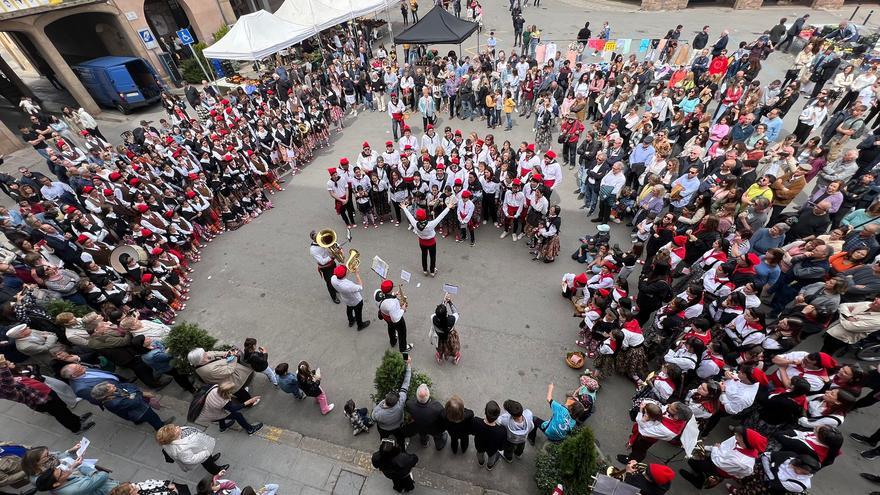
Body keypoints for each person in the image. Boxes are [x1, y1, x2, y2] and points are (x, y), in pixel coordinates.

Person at [0, 354, 93, 434]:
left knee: (63, 408)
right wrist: (3, 366)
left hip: (46, 392)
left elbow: (29, 368)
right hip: (41, 401)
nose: (9, 363)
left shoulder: (10, 373)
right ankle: (76, 428)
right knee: (61, 414)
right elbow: (9, 384)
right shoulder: (4, 387)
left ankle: (76, 419)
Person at [90, 380, 175, 431]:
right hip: (141, 411)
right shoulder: (114, 402)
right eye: (110, 387)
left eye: (110, 385)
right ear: (106, 394)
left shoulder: (113, 392)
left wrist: (132, 394)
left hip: (130, 411)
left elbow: (127, 385)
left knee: (137, 418)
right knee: (153, 417)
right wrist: (137, 393)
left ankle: (138, 421)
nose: (113, 385)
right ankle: (160, 427)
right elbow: (136, 401)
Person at [401, 200, 455, 276]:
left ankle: (425, 270)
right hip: (431, 243)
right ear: (425, 216)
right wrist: (448, 207)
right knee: (432, 257)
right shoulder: (431, 224)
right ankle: (432, 271)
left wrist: (404, 208)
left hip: (422, 242)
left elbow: (410, 216)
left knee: (424, 255)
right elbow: (441, 216)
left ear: (417, 217)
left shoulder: (415, 224)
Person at [155, 424, 228, 474]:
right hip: (201, 453)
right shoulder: (181, 449)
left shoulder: (178, 434)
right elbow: (191, 459)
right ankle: (217, 471)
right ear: (173, 437)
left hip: (201, 447)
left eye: (174, 426)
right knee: (208, 464)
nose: (177, 426)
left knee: (209, 459)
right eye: (175, 429)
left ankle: (211, 459)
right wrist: (206, 453)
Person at [196, 381, 263, 434]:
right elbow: (234, 408)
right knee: (237, 415)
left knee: (220, 414)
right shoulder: (222, 401)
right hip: (210, 415)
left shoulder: (215, 388)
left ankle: (222, 427)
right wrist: (250, 401)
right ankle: (250, 429)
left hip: (205, 412)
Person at [372, 356, 412, 446]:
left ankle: (384, 444)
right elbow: (406, 383)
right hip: (398, 425)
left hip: (384, 428)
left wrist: (380, 404)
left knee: (383, 436)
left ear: (386, 397)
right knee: (399, 437)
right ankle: (402, 446)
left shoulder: (380, 413)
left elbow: (373, 417)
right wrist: (408, 365)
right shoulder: (400, 402)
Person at [405, 384, 447, 449]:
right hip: (433, 427)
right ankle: (439, 446)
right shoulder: (436, 406)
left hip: (419, 426)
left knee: (422, 434)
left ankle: (424, 443)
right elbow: (443, 416)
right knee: (437, 436)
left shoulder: (409, 403)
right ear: (428, 395)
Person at [330, 265, 370, 331]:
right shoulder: (348, 286)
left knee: (349, 309)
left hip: (346, 299)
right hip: (356, 301)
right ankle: (360, 325)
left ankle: (351, 321)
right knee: (358, 313)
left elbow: (341, 272)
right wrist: (357, 274)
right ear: (345, 274)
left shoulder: (333, 278)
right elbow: (360, 287)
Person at [377, 280, 412, 352]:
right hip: (394, 320)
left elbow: (386, 297)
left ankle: (393, 341)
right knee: (402, 333)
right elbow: (395, 319)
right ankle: (403, 348)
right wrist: (402, 309)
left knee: (391, 328)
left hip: (386, 317)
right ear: (391, 289)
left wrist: (394, 295)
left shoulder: (379, 295)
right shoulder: (391, 304)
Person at [471, 400, 507, 470]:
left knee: (479, 454)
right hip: (492, 449)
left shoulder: (476, 421)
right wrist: (500, 448)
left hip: (479, 445)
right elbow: (501, 446)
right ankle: (489, 466)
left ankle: (481, 462)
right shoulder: (501, 430)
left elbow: (472, 432)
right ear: (498, 416)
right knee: (492, 457)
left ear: (485, 411)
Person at [309, 230, 340, 304]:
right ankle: (334, 297)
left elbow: (333, 243)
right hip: (326, 268)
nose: (320, 239)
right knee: (329, 283)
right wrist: (332, 255)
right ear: (313, 239)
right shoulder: (313, 250)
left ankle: (336, 288)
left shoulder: (323, 239)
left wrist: (337, 247)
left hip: (332, 263)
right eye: (316, 238)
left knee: (336, 277)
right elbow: (322, 262)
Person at [431, 293, 461, 364]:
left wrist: (444, 302)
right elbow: (456, 313)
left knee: (440, 348)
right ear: (446, 313)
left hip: (440, 337)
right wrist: (449, 302)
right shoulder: (452, 320)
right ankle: (456, 357)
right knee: (453, 347)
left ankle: (440, 356)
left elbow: (439, 313)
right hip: (450, 337)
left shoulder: (433, 318)